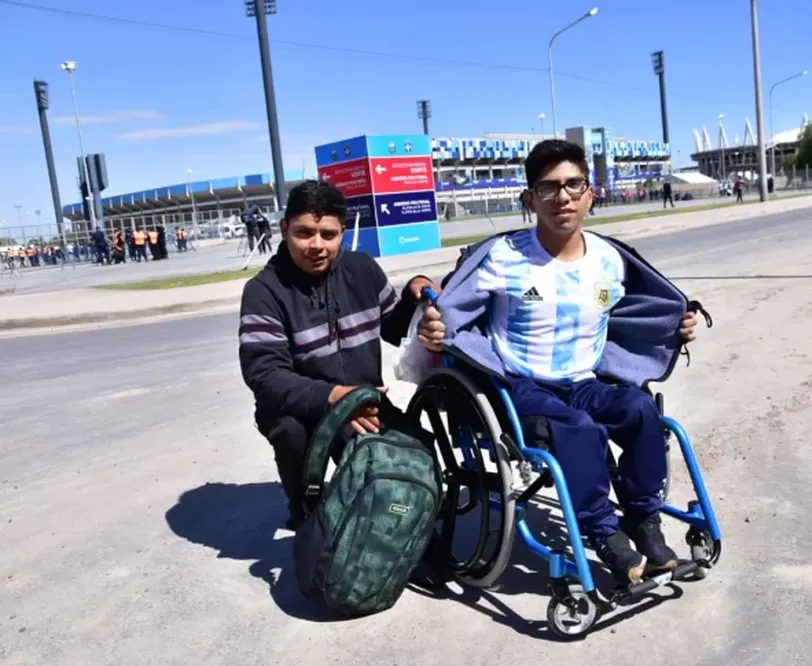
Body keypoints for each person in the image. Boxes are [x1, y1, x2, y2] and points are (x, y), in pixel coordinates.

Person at [416, 139, 703, 587]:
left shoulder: (608, 262)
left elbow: (617, 310)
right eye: (548, 188)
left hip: (584, 380)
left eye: (573, 185)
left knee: (642, 413)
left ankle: (643, 521)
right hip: (521, 385)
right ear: (530, 199)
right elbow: (452, 311)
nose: (562, 197)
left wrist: (672, 328)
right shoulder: (503, 258)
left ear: (591, 193)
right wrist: (435, 327)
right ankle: (604, 532)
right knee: (578, 429)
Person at [238, 179, 440, 530]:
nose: (316, 245)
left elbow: (395, 326)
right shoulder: (263, 292)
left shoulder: (362, 269)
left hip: (363, 401)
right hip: (298, 407)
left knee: (408, 460)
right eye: (304, 233)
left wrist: (416, 295)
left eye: (328, 235)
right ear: (284, 229)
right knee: (291, 432)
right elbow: (265, 376)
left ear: (342, 233)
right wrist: (336, 399)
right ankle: (304, 508)